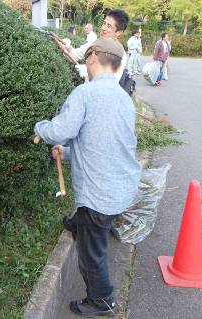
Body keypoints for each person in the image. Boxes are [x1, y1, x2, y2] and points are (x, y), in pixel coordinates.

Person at [34, 37, 141, 318]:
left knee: (91, 253)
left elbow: (58, 131)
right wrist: (67, 153)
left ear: (92, 57)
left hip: (99, 197)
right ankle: (77, 224)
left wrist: (41, 127)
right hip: (122, 186)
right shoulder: (123, 98)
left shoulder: (86, 94)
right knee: (89, 223)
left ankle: (102, 300)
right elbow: (100, 144)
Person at [75, 9, 130, 83]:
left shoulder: (120, 54)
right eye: (104, 23)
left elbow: (112, 82)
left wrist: (89, 72)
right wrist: (68, 47)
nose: (103, 28)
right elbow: (76, 54)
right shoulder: (95, 43)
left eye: (109, 26)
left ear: (118, 32)